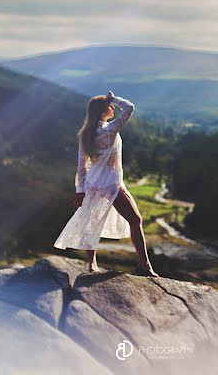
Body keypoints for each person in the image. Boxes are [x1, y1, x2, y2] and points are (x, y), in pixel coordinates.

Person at [53, 90, 159, 277]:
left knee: (91, 223)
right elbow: (129, 108)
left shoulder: (85, 134)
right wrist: (115, 99)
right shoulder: (109, 130)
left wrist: (80, 190)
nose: (112, 108)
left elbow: (81, 165)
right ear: (103, 110)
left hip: (93, 183)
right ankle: (145, 264)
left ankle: (92, 263)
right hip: (111, 183)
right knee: (136, 220)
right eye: (109, 106)